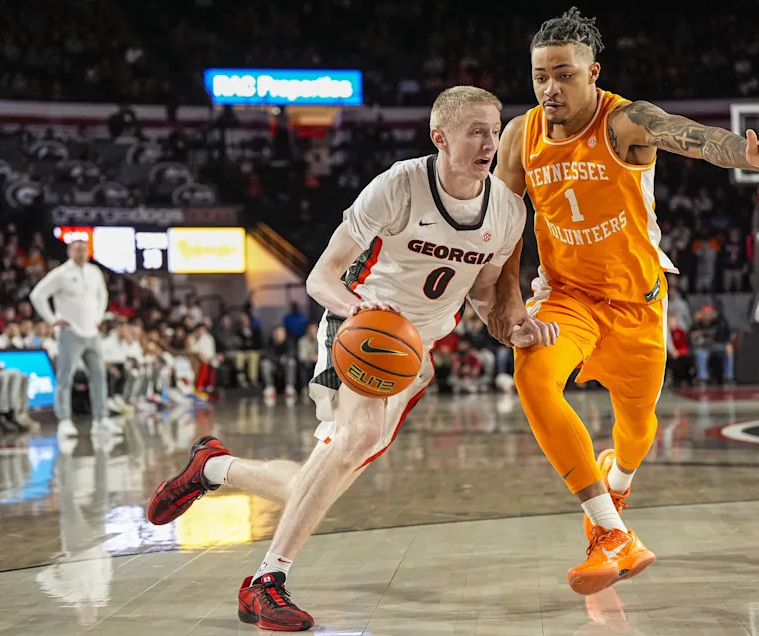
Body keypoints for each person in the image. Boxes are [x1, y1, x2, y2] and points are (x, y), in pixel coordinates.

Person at [146, 85, 557, 631]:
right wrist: (359, 307)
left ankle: (214, 466)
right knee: (357, 438)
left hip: (411, 355)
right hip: (360, 326)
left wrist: (521, 329)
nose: (490, 141)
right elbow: (321, 276)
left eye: (495, 129)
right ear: (440, 137)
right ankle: (265, 583)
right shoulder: (399, 186)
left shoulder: (507, 211)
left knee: (310, 488)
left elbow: (485, 297)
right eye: (476, 130)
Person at [486, 7, 759, 596]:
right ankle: (611, 534)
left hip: (638, 304)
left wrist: (751, 157)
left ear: (594, 74)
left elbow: (695, 137)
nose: (549, 88)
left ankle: (618, 480)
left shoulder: (624, 122)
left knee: (637, 432)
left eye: (564, 74)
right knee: (532, 376)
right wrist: (508, 305)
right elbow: (507, 228)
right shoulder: (520, 135)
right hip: (569, 299)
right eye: (540, 76)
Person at [29, 240, 116, 437]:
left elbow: (103, 295)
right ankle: (64, 420)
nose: (81, 253)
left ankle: (101, 419)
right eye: (77, 249)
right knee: (65, 377)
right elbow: (37, 295)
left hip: (91, 332)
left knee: (99, 376)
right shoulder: (61, 273)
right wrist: (52, 319)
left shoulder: (95, 272)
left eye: (84, 250)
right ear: (69, 252)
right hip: (70, 331)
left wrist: (98, 318)